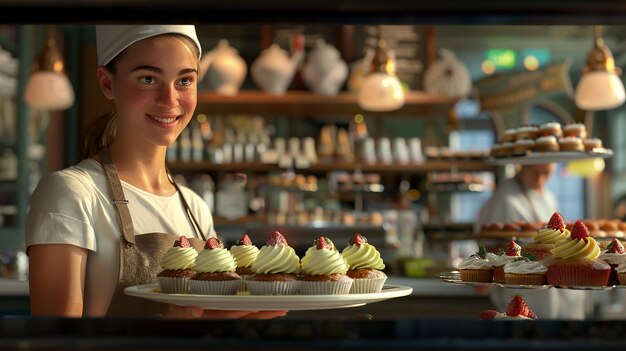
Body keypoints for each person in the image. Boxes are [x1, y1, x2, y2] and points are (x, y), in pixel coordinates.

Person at [25, 25, 285, 319]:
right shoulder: (71, 194)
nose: (170, 99)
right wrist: (171, 327)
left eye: (185, 80)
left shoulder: (195, 209)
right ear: (107, 83)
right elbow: (55, 343)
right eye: (148, 79)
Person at [475, 163, 590, 320]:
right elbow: (490, 248)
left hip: (561, 296)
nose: (540, 178)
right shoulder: (504, 197)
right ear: (522, 166)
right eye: (535, 171)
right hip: (527, 294)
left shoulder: (548, 196)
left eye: (546, 172)